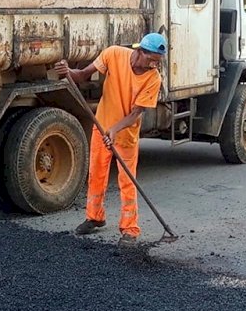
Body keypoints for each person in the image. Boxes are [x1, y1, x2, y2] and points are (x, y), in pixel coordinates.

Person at [54, 33, 166, 247]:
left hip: (125, 135)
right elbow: (83, 75)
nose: (153, 65)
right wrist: (67, 72)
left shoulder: (153, 79)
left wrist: (114, 130)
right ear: (139, 51)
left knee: (127, 181)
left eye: (157, 62)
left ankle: (130, 228)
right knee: (96, 174)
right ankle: (95, 217)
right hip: (101, 127)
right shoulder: (114, 54)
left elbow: (136, 113)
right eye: (150, 59)